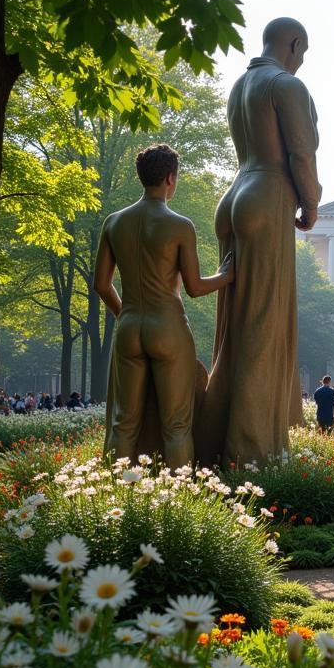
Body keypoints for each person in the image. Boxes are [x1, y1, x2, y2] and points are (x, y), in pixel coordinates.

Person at [197, 17, 320, 467]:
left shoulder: (239, 87)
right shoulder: (285, 86)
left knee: (233, 331)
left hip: (235, 195)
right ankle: (251, 454)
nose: (301, 62)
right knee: (263, 329)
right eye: (302, 53)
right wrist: (311, 202)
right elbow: (301, 152)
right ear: (292, 44)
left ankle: (213, 441)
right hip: (268, 196)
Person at [94, 143, 232, 469]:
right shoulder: (180, 225)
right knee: (177, 427)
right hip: (168, 328)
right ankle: (178, 501)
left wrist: (125, 314)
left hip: (129, 328)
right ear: (170, 178)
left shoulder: (114, 223)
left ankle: (112, 493)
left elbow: (101, 285)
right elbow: (195, 287)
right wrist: (226, 275)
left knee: (122, 424)